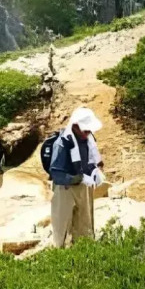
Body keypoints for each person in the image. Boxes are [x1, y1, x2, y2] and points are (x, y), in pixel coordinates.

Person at [47, 106, 103, 247]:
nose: (88, 132)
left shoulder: (88, 141)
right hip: (65, 189)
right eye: (86, 130)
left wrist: (95, 172)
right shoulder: (62, 144)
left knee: (85, 225)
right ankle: (60, 253)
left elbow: (90, 161)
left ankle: (84, 250)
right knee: (62, 228)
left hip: (84, 187)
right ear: (76, 126)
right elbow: (57, 174)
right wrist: (77, 178)